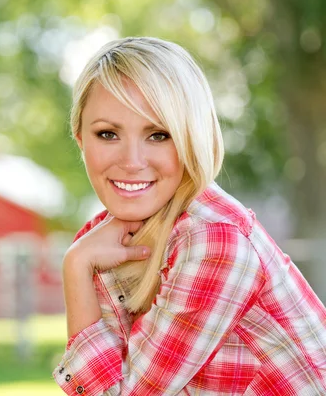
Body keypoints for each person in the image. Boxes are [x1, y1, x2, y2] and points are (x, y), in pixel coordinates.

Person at [53, 37, 326, 395]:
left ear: (192, 139)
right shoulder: (105, 239)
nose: (132, 161)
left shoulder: (214, 240)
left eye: (158, 135)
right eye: (108, 134)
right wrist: (80, 260)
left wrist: (75, 268)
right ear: (80, 140)